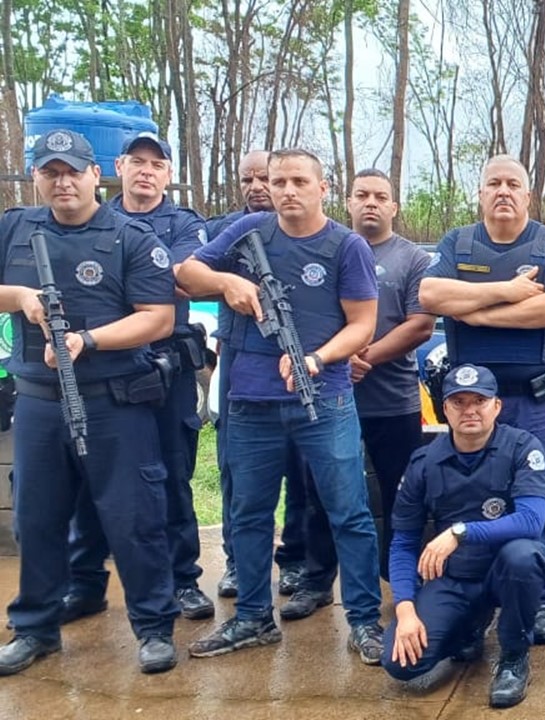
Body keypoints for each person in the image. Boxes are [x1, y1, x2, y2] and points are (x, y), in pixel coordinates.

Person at [179, 148, 385, 665]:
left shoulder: (347, 246)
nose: (287, 190)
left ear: (323, 187)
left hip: (327, 398)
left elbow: (363, 324)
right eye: (278, 181)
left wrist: (317, 358)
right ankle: (252, 618)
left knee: (350, 514)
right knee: (248, 514)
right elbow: (186, 273)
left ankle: (363, 621)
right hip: (250, 402)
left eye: (298, 180)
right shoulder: (250, 230)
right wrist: (227, 281)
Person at [0, 129, 180, 675]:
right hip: (37, 401)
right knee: (36, 517)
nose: (62, 182)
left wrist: (88, 340)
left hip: (112, 402)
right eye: (50, 172)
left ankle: (152, 627)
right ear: (36, 176)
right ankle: (36, 627)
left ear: (95, 174)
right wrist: (21, 298)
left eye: (72, 171)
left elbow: (159, 317)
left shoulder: (130, 237)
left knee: (134, 518)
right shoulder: (13, 226)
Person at [417, 155, 545, 644]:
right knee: (470, 499)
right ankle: (476, 596)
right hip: (471, 406)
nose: (503, 191)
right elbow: (430, 294)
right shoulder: (458, 242)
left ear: (529, 195)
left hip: (536, 400)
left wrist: (479, 312)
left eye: (513, 184)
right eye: (494, 183)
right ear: (480, 192)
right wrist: (507, 290)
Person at [61, 132, 215, 625]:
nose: (146, 171)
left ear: (168, 174)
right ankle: (85, 583)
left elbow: (183, 277)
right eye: (137, 162)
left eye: (157, 164)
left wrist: (118, 281)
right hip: (98, 369)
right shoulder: (93, 217)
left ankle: (183, 580)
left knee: (170, 475)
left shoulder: (185, 223)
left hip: (164, 368)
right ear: (117, 168)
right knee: (90, 478)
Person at [279, 168, 434, 620]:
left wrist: (365, 358)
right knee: (320, 493)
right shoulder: (330, 250)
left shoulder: (413, 259)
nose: (371, 202)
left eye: (380, 196)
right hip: (328, 399)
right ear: (346, 200)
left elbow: (420, 324)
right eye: (362, 194)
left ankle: (403, 579)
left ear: (394, 206)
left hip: (393, 401)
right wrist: (337, 362)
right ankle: (316, 581)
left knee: (401, 494)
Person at [382, 364, 545, 709]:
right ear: (445, 409)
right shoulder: (424, 462)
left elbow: (532, 520)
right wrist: (404, 610)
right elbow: (402, 542)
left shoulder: (522, 447)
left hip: (503, 572)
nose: (470, 410)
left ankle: (514, 657)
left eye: (479, 400)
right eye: (458, 402)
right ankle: (468, 626)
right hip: (455, 579)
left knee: (524, 555)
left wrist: (460, 532)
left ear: (496, 406)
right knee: (401, 663)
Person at [206, 150, 311, 600]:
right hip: (242, 360)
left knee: (301, 469)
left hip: (299, 358)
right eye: (248, 178)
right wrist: (226, 283)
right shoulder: (226, 232)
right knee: (238, 470)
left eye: (263, 178)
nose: (256, 186)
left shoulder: (306, 231)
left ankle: (295, 560)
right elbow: (183, 275)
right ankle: (239, 562)